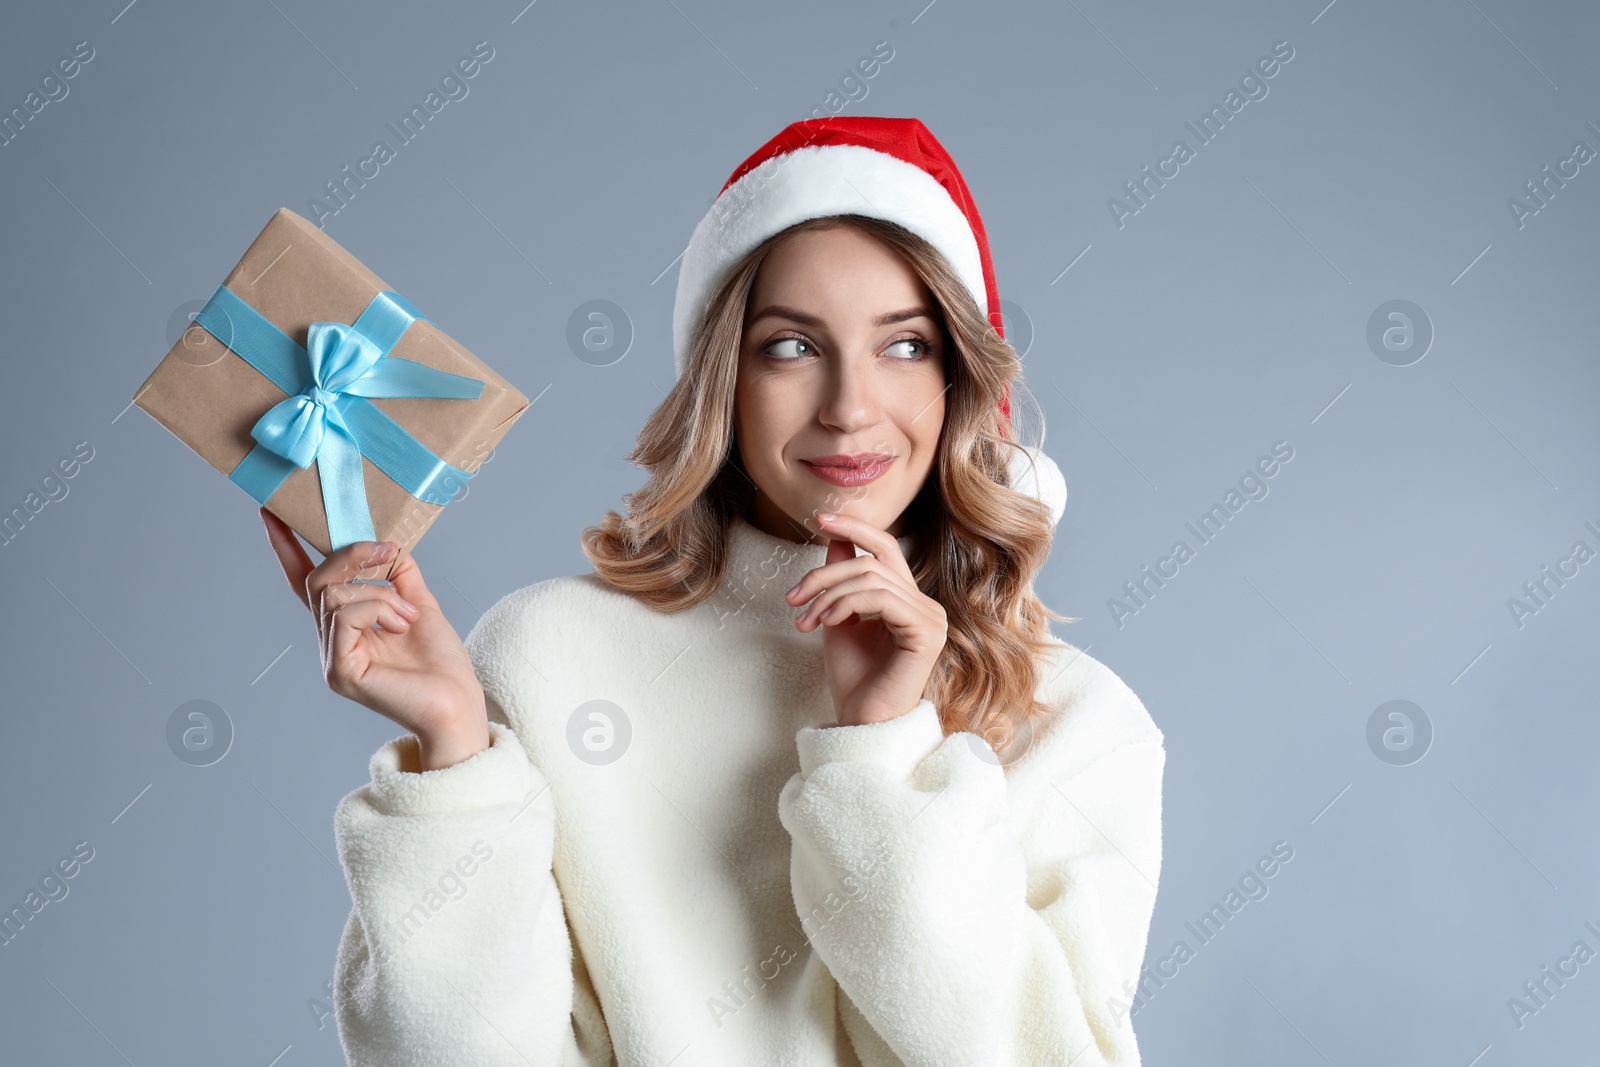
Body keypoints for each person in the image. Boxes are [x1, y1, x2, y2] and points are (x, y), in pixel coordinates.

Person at [261, 116, 1165, 1067]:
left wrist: (883, 758)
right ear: (723, 378)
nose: (851, 406)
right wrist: (452, 761)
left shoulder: (1076, 722)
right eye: (791, 347)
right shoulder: (547, 653)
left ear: (961, 379)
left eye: (905, 347)